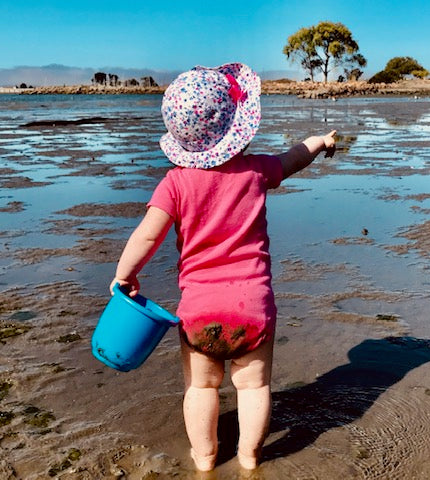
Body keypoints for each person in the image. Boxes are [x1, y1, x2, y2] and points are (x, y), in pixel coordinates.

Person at [109, 62, 336, 472]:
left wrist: (126, 274)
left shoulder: (175, 183)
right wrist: (319, 141)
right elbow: (293, 159)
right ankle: (250, 458)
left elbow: (147, 235)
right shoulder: (255, 171)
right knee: (254, 387)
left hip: (199, 312)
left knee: (201, 386)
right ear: (237, 129)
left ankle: (205, 457)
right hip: (253, 308)